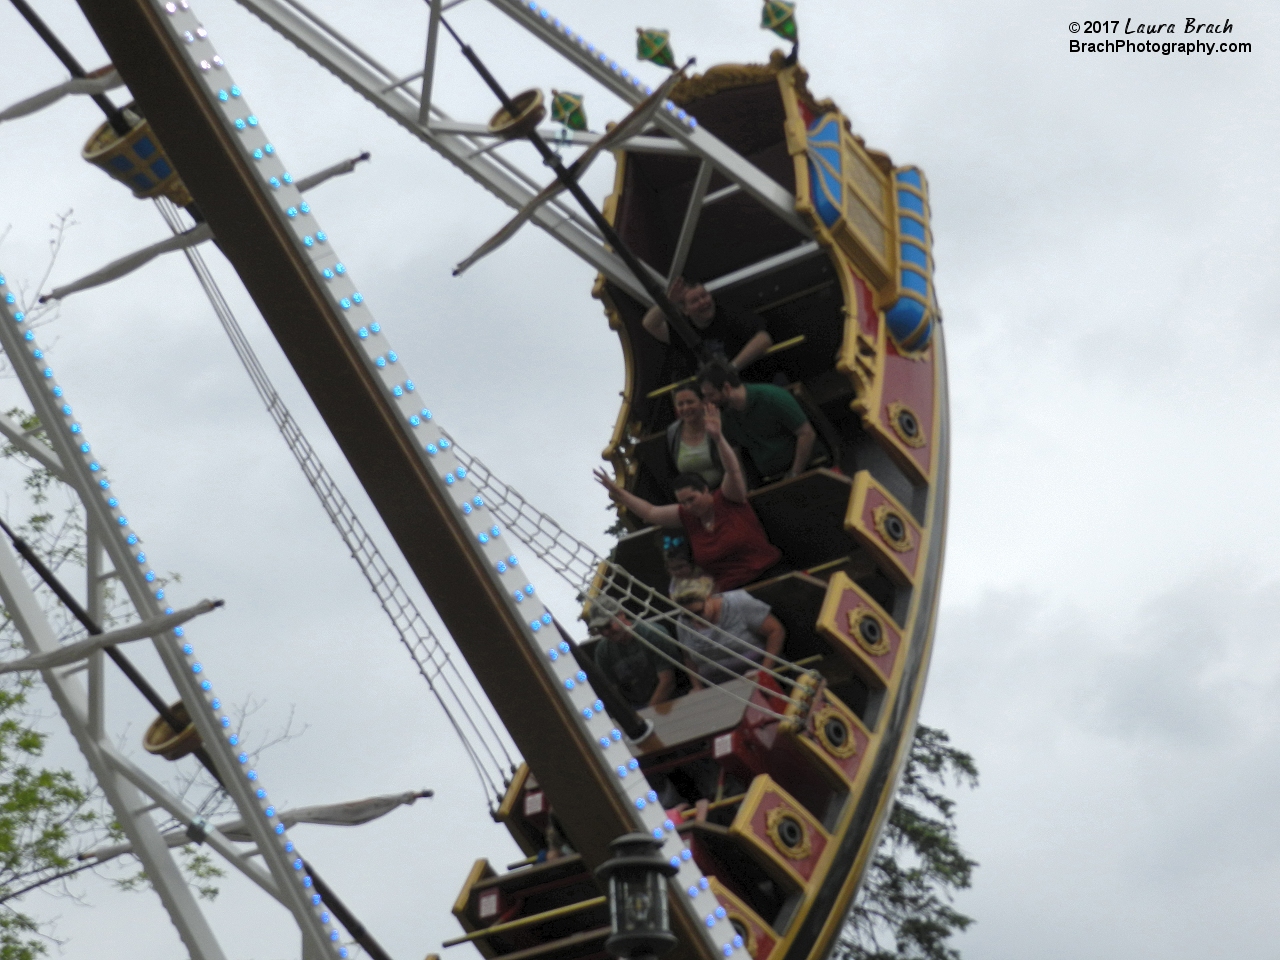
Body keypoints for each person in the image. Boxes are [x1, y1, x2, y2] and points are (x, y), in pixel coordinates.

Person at [594, 406, 785, 592]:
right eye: (683, 502)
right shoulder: (687, 516)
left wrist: (718, 438)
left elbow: (733, 471)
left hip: (766, 574)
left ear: (705, 490)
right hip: (730, 593)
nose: (688, 506)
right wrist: (619, 493)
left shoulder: (729, 497)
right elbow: (650, 512)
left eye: (692, 499)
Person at [697, 359, 824, 483]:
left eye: (711, 395)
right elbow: (736, 461)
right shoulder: (725, 416)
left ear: (727, 387)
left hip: (810, 469)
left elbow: (806, 434)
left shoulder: (771, 397)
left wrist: (795, 473)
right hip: (770, 479)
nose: (707, 401)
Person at [671, 576, 786, 688]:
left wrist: (764, 672)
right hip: (718, 688)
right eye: (688, 615)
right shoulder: (683, 622)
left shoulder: (738, 603)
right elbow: (688, 658)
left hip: (757, 679)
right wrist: (697, 687)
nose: (694, 619)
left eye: (699, 612)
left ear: (709, 597)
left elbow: (775, 631)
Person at [642, 277, 774, 372]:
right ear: (685, 310)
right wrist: (667, 301)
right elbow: (649, 324)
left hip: (751, 380)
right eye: (695, 301)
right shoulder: (682, 328)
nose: (703, 302)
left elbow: (764, 339)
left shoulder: (729, 312)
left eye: (704, 296)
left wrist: (731, 369)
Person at [586, 595, 680, 709]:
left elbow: (668, 681)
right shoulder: (602, 652)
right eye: (599, 629)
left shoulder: (652, 634)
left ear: (621, 614)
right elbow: (611, 691)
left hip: (671, 701)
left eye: (607, 625)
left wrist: (647, 714)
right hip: (634, 707)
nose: (605, 632)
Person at [666, 383, 723, 489]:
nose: (685, 408)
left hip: (724, 488)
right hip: (695, 499)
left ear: (703, 402)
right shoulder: (673, 432)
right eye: (680, 404)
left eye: (690, 402)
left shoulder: (716, 423)